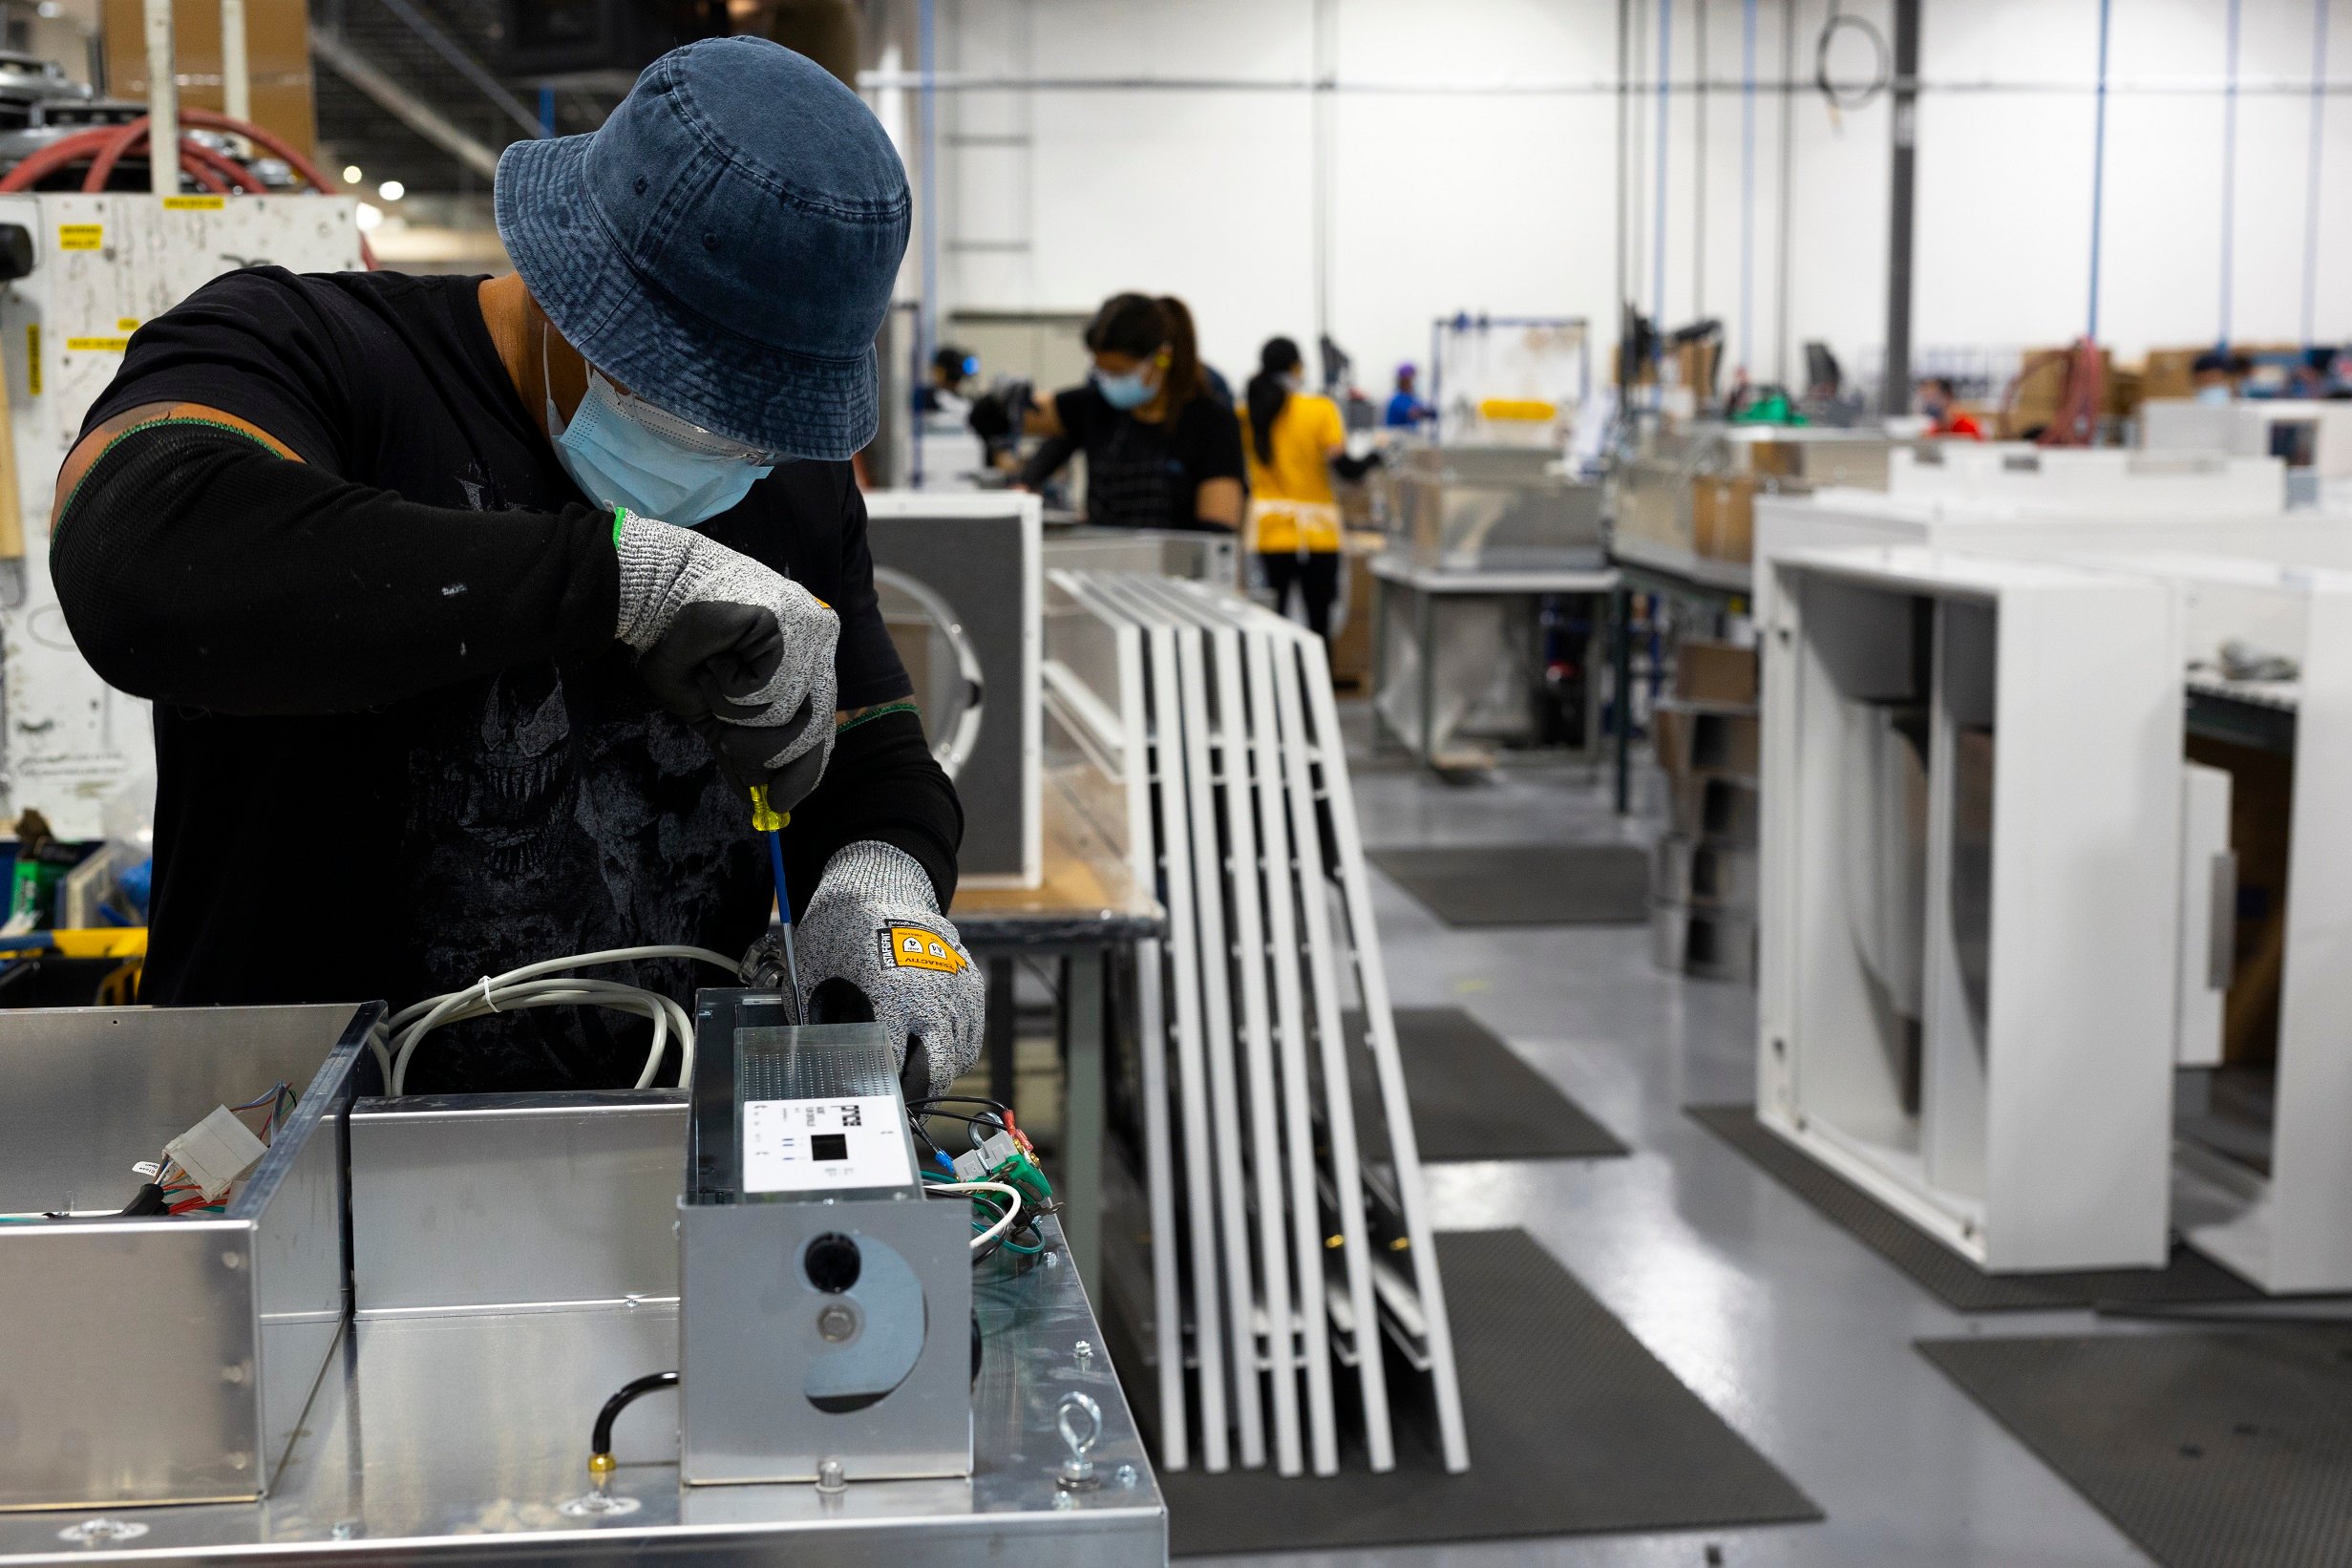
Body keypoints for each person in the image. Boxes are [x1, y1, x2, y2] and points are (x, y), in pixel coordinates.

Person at [47, 39, 984, 1097]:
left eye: (758, 432)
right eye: (689, 407)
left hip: (659, 1149)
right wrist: (621, 579)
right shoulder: (311, 355)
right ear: (574, 280)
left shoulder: (796, 485)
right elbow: (139, 559)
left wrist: (881, 883)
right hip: (295, 1156)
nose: (730, 458)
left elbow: (865, 752)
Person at [1019, 293, 1243, 531]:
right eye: (1102, 372)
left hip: (1176, 564)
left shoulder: (1212, 422)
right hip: (1102, 560)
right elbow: (1030, 420)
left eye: (1120, 374)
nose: (1109, 383)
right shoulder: (1096, 405)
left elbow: (1218, 528)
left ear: (1161, 358)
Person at [1241, 337, 1375, 641]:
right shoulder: (1320, 410)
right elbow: (1346, 468)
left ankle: (1274, 686)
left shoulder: (1250, 414)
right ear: (1296, 366)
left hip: (1270, 533)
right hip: (1318, 534)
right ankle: (1317, 685)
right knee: (1319, 625)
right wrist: (1374, 458)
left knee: (1270, 624)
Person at [916, 344, 977, 417]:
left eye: (937, 370)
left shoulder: (930, 398)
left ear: (942, 373)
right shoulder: (966, 405)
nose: (933, 373)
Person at [1917, 375, 1983, 438]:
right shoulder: (1934, 432)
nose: (1930, 403)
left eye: (1933, 397)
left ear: (1947, 397)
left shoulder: (1967, 428)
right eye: (1926, 398)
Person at [1384, 362, 1429, 428]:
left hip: (1410, 436)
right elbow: (1413, 413)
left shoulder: (1413, 399)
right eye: (1413, 377)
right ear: (1406, 381)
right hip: (1397, 436)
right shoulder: (1397, 400)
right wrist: (1428, 413)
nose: (1416, 380)